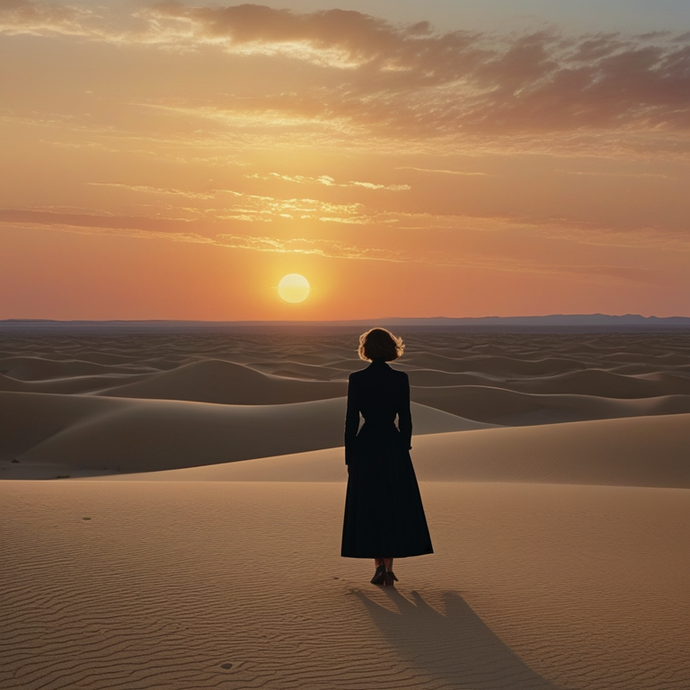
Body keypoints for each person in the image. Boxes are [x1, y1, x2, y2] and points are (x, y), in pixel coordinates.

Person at [341, 328, 433, 587]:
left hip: (367, 445)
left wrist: (350, 457)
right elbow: (406, 419)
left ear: (366, 350)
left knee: (370, 505)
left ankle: (379, 566)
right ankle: (389, 568)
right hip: (392, 446)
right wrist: (402, 448)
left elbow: (350, 421)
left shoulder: (357, 379)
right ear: (391, 348)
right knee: (392, 505)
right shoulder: (400, 379)